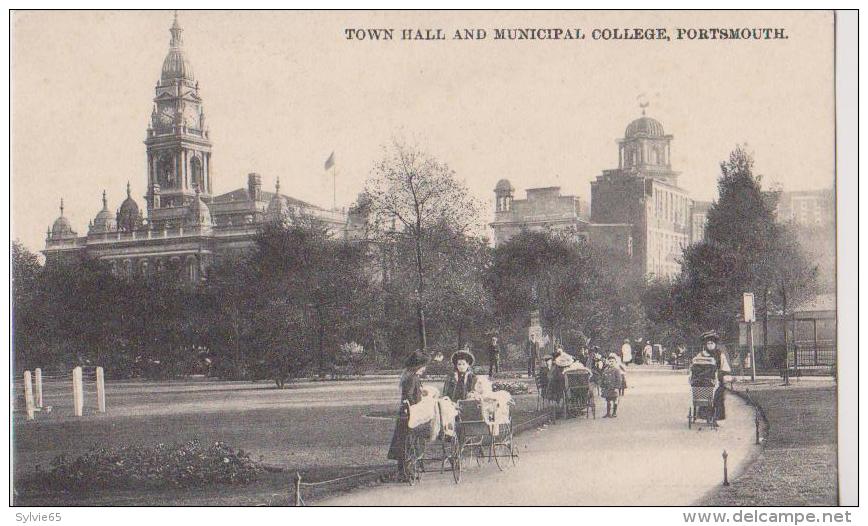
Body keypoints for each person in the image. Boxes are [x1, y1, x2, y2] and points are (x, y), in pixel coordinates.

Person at [387, 350, 429, 478]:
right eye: (423, 366)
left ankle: (404, 471)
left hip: (405, 412)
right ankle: (407, 472)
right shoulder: (412, 378)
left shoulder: (410, 376)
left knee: (404, 441)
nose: (424, 369)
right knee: (409, 441)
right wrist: (416, 407)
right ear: (418, 366)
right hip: (410, 413)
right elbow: (409, 395)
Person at [694, 330, 732, 424]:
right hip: (703, 379)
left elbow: (724, 367)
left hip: (717, 378)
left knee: (719, 394)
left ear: (715, 344)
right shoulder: (701, 354)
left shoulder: (720, 354)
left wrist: (722, 375)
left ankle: (717, 416)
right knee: (702, 392)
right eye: (708, 343)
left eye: (712, 343)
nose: (710, 345)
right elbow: (695, 366)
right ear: (705, 345)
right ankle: (705, 414)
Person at [601, 353, 624, 418]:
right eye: (610, 361)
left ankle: (614, 412)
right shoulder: (605, 370)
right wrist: (602, 386)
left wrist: (617, 387)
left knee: (615, 400)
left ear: (615, 362)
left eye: (612, 361)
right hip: (607, 388)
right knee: (608, 400)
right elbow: (603, 378)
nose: (611, 363)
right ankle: (608, 413)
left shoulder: (616, 370)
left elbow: (619, 380)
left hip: (614, 388)